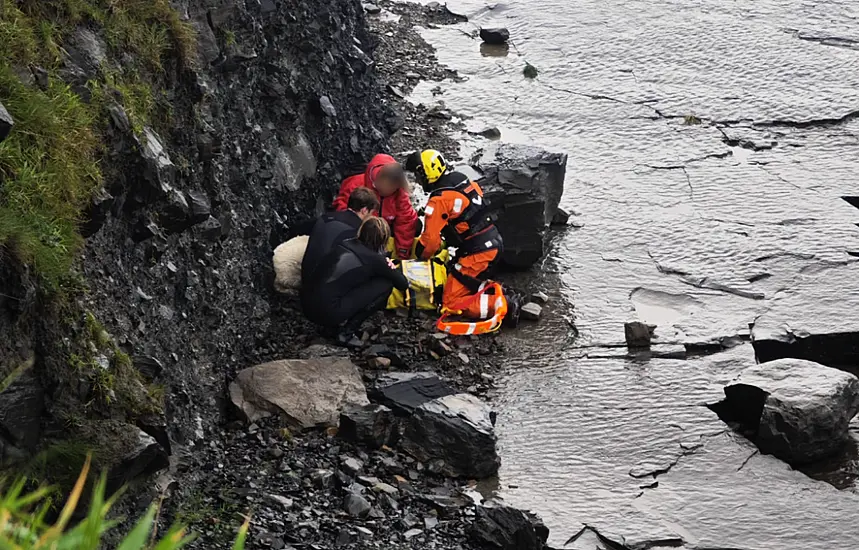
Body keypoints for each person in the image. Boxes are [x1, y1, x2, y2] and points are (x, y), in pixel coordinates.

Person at [408, 149, 503, 319]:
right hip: (494, 240)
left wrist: (418, 258)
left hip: (479, 252)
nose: (418, 180)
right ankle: (483, 288)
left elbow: (429, 242)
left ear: (426, 173)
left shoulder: (439, 200)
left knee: (450, 302)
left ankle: (502, 304)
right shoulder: (461, 179)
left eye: (418, 175)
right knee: (456, 277)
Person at [301, 217, 409, 347]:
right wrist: (390, 265)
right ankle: (346, 333)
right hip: (327, 313)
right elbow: (402, 284)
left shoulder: (344, 243)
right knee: (385, 284)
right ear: (383, 240)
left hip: (306, 306)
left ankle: (329, 327)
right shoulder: (376, 260)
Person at [333, 154, 418, 260]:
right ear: (378, 181)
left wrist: (402, 254)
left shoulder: (399, 193)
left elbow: (406, 222)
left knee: (416, 226)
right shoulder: (355, 186)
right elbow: (343, 214)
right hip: (359, 232)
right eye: (385, 190)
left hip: (384, 232)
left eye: (393, 190)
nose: (388, 193)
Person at [297, 187, 379, 286]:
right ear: (364, 210)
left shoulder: (326, 217)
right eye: (371, 213)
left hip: (305, 278)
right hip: (324, 288)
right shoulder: (357, 232)